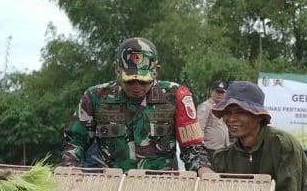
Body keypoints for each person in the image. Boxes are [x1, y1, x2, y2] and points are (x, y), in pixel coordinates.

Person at [61, 37, 209, 171]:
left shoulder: (176, 96)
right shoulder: (95, 97)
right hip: (111, 186)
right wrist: (70, 168)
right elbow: (75, 141)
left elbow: (192, 147)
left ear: (156, 71)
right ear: (116, 69)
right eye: (130, 80)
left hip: (161, 188)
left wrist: (203, 170)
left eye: (144, 80)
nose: (137, 86)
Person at [197, 80, 230, 158]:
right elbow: (200, 128)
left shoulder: (224, 108)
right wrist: (200, 148)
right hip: (210, 149)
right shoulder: (205, 107)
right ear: (211, 92)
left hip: (223, 149)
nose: (220, 94)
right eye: (218, 92)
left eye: (222, 92)